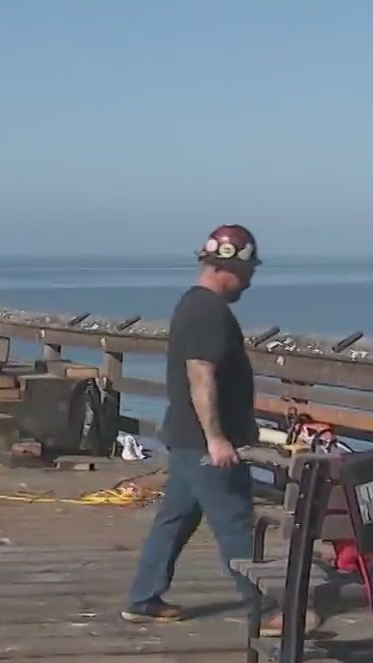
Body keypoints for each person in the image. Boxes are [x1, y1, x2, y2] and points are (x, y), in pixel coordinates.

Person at [122, 224, 297, 634]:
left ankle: (143, 597)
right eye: (248, 271)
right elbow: (201, 375)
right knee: (236, 522)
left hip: (185, 439)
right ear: (227, 268)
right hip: (205, 444)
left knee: (175, 519)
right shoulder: (208, 312)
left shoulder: (194, 306)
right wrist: (218, 439)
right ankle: (267, 610)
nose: (251, 280)